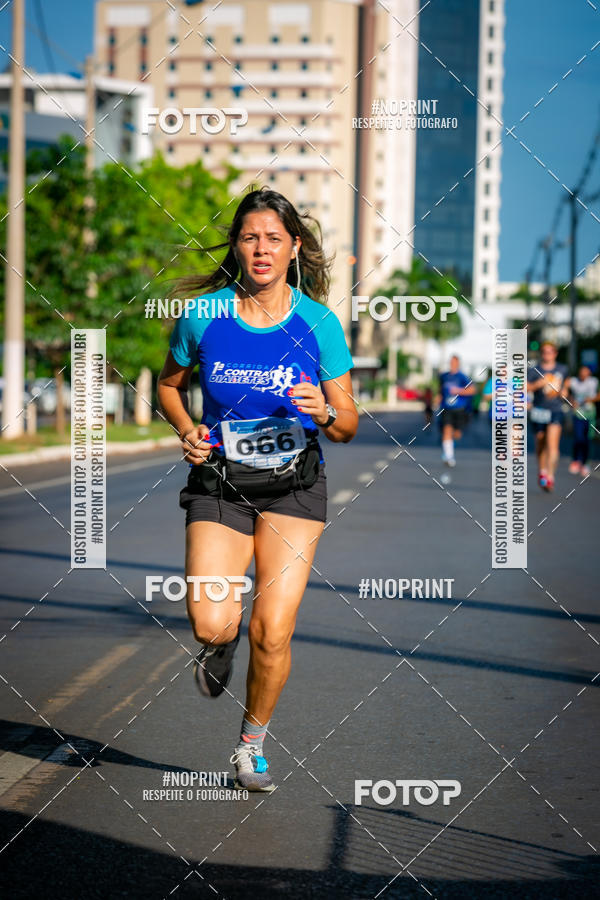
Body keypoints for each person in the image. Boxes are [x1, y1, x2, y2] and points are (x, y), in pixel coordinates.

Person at [157, 188, 358, 792]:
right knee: (212, 623)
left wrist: (323, 409)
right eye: (250, 237)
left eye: (274, 237)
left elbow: (348, 425)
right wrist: (189, 428)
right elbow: (169, 386)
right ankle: (218, 649)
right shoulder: (204, 315)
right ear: (237, 247)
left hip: (293, 488)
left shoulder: (318, 322)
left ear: (294, 248)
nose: (261, 248)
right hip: (219, 485)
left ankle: (251, 745)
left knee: (273, 629)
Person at [526, 341, 568, 492]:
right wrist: (538, 384)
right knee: (540, 441)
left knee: (553, 445)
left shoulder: (562, 369)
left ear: (555, 353)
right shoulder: (534, 370)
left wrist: (564, 393)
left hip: (555, 409)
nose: (547, 354)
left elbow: (565, 386)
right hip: (539, 410)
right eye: (544, 351)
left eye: (550, 351)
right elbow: (525, 387)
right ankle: (542, 471)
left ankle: (550, 476)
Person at [436, 355, 476, 467]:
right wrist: (438, 398)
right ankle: (449, 456)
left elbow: (472, 390)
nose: (452, 364)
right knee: (446, 430)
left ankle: (449, 445)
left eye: (454, 362)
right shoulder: (444, 376)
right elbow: (441, 390)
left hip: (460, 409)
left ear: (458, 364)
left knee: (457, 434)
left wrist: (458, 390)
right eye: (451, 362)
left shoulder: (462, 377)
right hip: (447, 408)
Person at [567, 364, 598, 478]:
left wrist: (588, 399)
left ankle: (585, 463)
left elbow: (598, 395)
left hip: (590, 415)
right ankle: (576, 460)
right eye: (581, 371)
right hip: (578, 414)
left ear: (589, 372)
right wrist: (571, 401)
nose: (583, 373)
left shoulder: (594, 382)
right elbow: (568, 393)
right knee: (578, 438)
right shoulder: (574, 381)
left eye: (585, 371)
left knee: (587, 440)